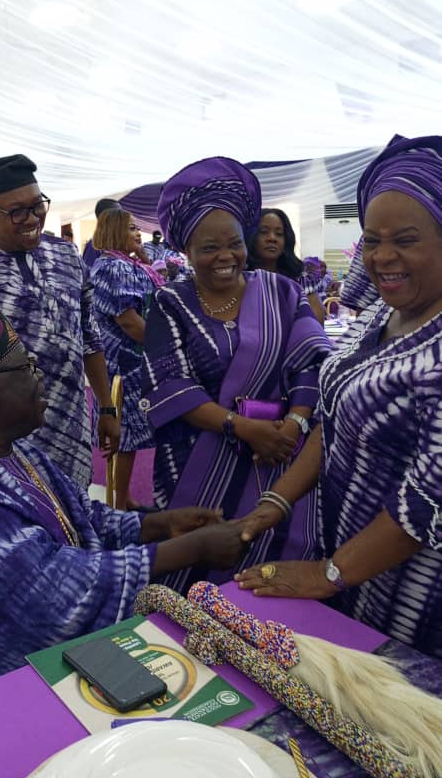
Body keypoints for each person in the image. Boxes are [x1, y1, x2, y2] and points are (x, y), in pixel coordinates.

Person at [0, 301, 250, 712]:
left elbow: (82, 517)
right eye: (26, 367)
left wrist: (157, 525)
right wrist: (191, 549)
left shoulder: (14, 451)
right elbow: (50, 593)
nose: (39, 377)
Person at [235, 133, 442, 659]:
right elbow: (333, 418)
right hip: (353, 567)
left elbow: (428, 500)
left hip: (417, 595)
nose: (382, 257)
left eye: (406, 240)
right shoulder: (382, 313)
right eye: (371, 240)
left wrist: (327, 574)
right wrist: (277, 501)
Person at [141, 157, 331, 593]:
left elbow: (311, 361)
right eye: (209, 248)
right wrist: (243, 428)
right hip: (197, 461)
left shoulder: (282, 291)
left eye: (234, 244)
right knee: (197, 573)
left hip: (280, 454)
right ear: (187, 252)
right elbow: (171, 386)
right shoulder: (171, 303)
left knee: (273, 577)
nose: (226, 257)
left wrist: (295, 423)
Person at [0, 155, 119, 486]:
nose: (32, 219)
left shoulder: (67, 256)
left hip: (72, 429)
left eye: (37, 206)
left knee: (72, 510)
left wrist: (105, 408)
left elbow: (89, 338)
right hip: (3, 445)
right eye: (17, 211)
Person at [91, 210, 164, 509]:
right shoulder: (114, 268)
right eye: (131, 228)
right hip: (123, 363)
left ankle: (124, 499)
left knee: (129, 436)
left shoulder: (126, 263)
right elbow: (129, 321)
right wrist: (164, 347)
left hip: (132, 359)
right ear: (115, 231)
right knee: (123, 434)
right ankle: (119, 504)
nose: (138, 233)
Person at [247, 209, 324, 325]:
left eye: (279, 234)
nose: (272, 238)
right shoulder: (241, 277)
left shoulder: (300, 277)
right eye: (263, 232)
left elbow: (316, 325)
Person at [82, 198, 121, 269]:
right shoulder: (94, 246)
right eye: (118, 214)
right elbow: (89, 273)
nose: (122, 217)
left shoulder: (120, 243)